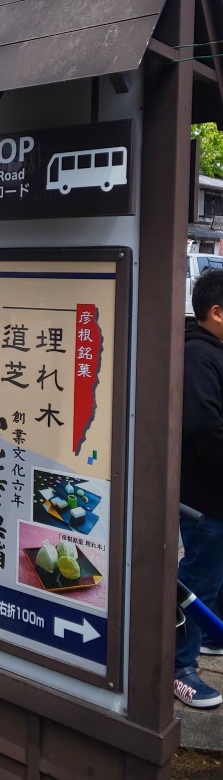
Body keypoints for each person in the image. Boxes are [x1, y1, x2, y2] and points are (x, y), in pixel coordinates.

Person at [175, 267, 223, 709]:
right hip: (206, 499)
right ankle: (179, 668)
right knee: (198, 581)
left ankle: (209, 637)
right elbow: (204, 429)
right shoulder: (198, 356)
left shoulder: (212, 352)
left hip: (215, 496)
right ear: (217, 312)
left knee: (213, 575)